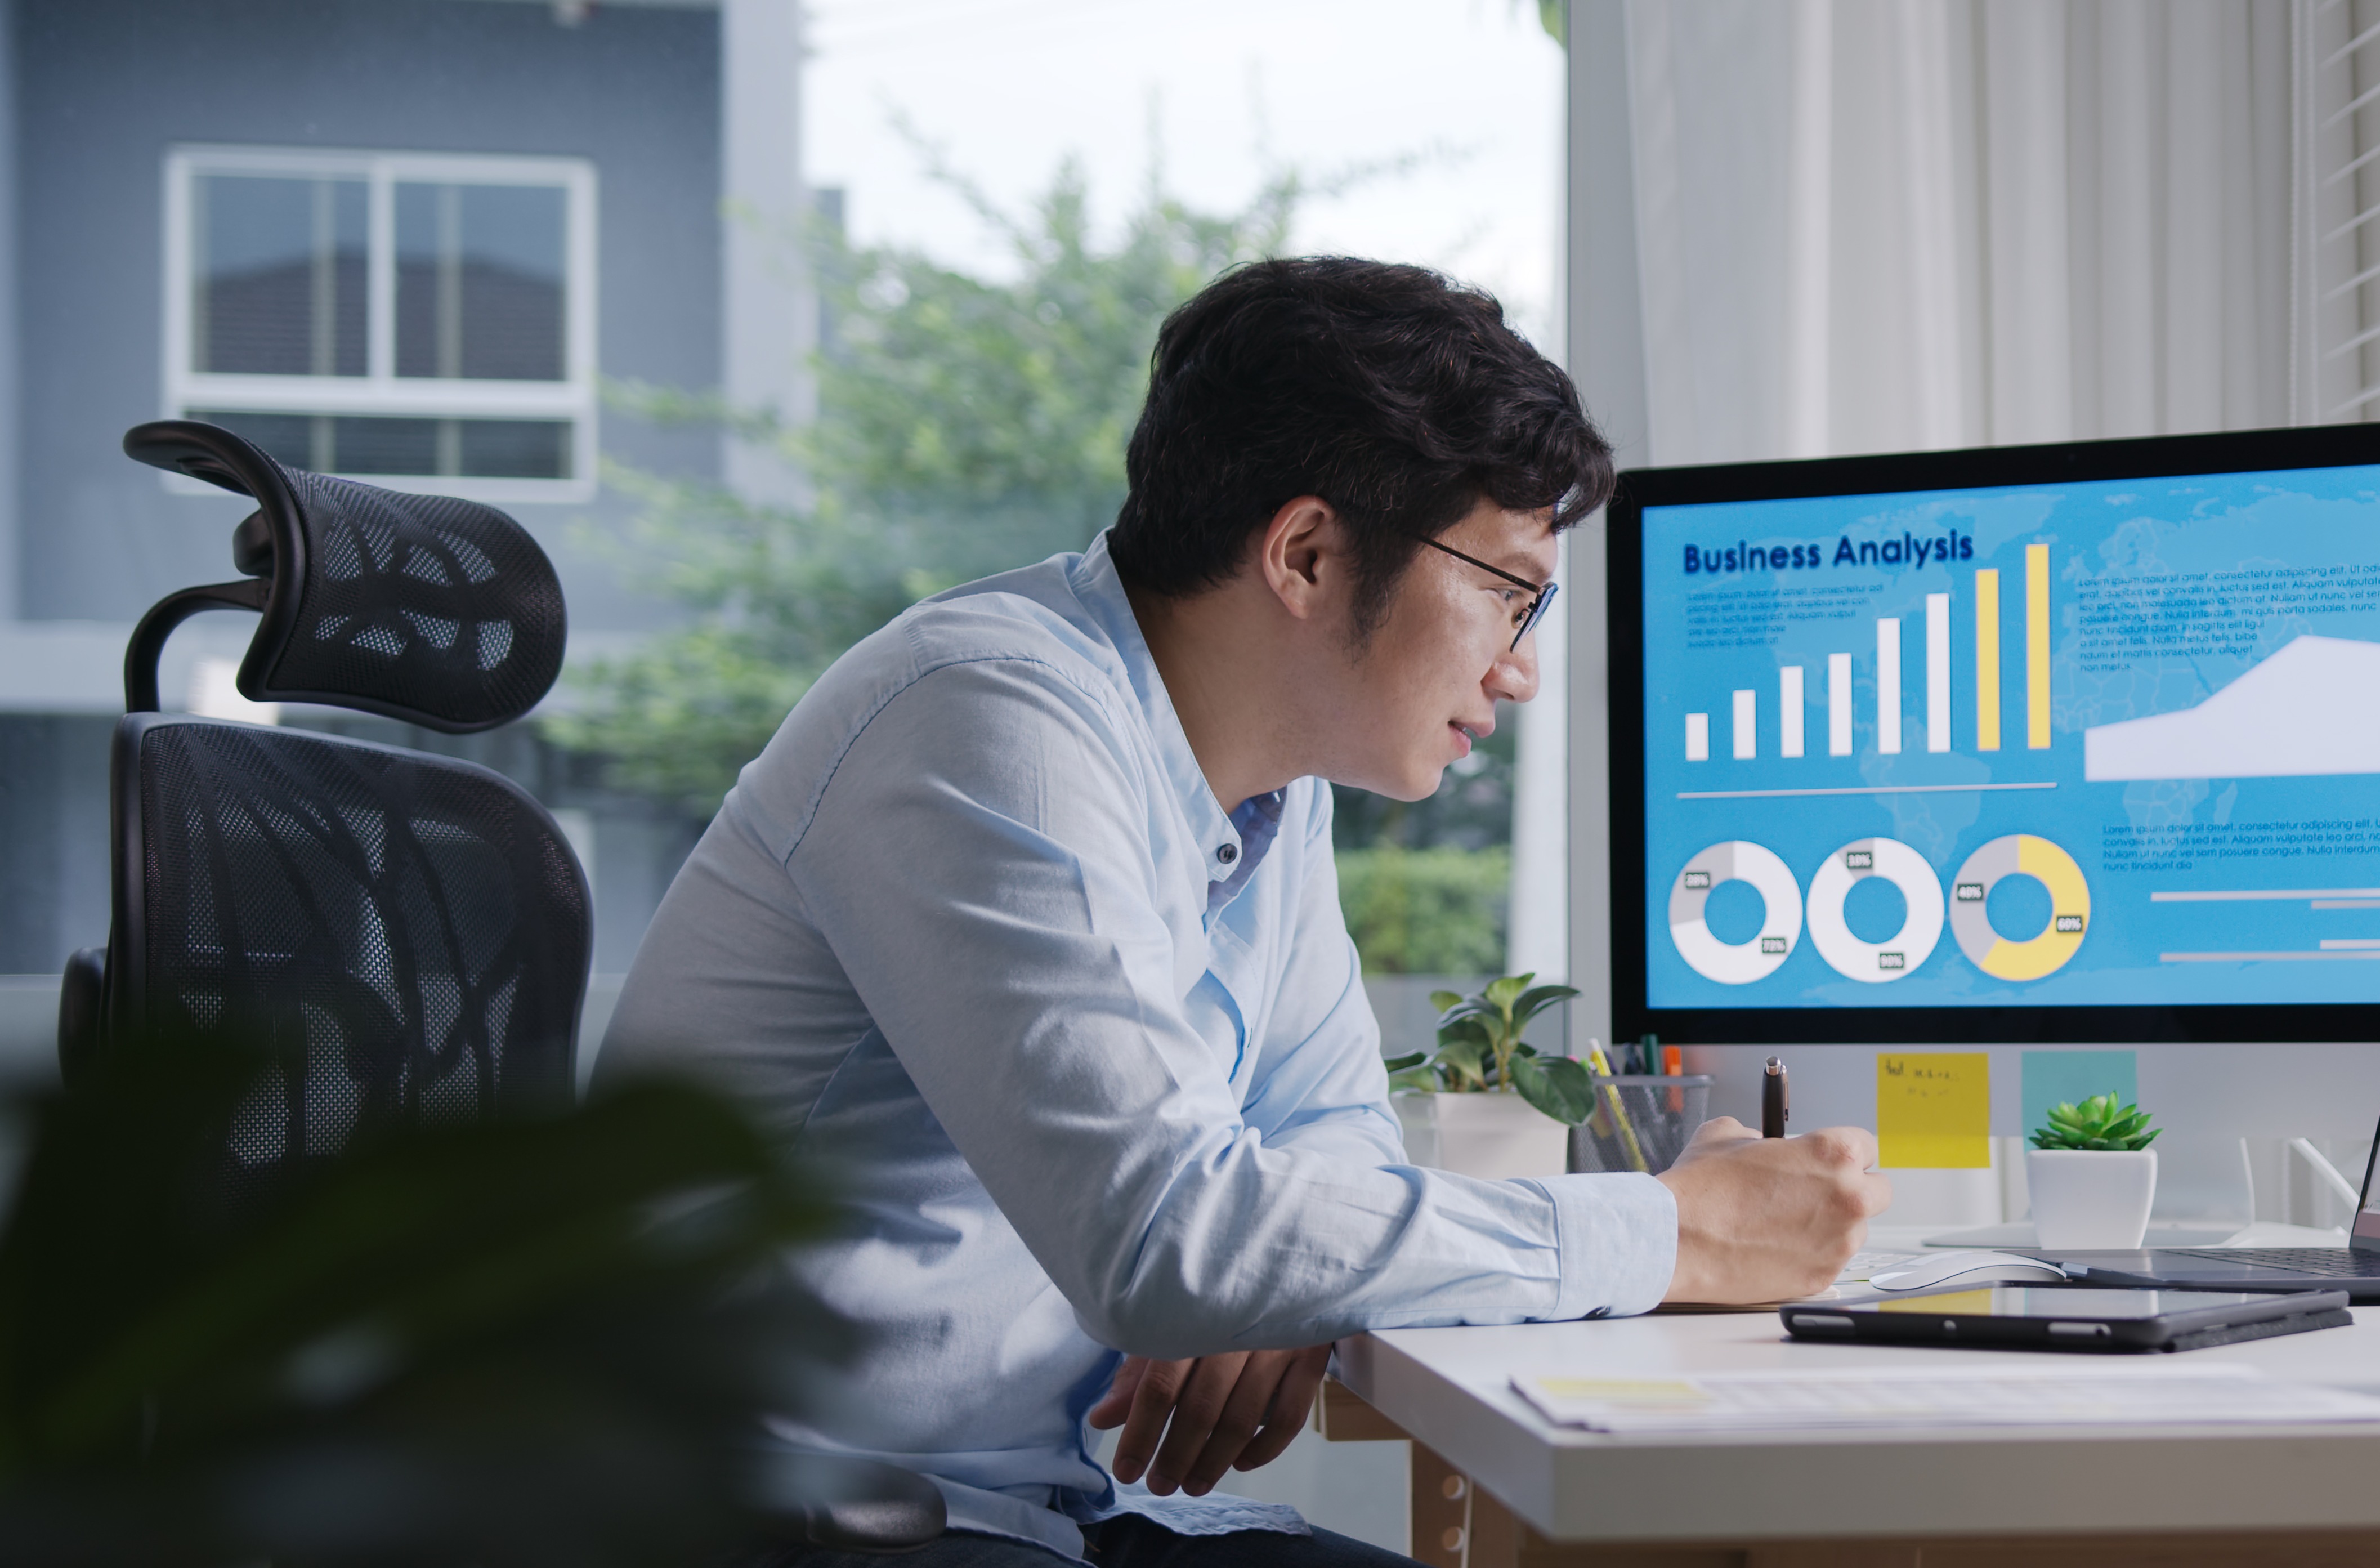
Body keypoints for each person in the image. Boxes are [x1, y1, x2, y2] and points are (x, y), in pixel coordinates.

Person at [600, 258, 1890, 1567]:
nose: (1523, 670)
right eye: (1509, 590)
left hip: (1012, 1514)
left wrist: (1287, 1268)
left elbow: (1323, 1139)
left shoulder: (1266, 791)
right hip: (782, 1521)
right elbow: (1168, 1236)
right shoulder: (987, 719)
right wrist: (1675, 1229)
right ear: (1308, 553)